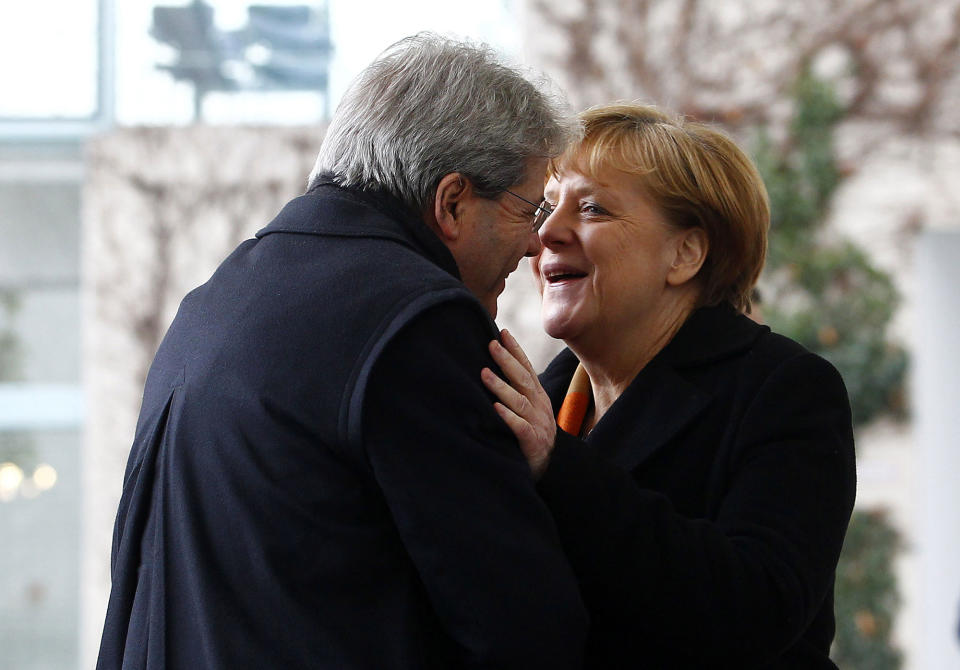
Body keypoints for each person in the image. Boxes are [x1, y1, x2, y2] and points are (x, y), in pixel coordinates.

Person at [96, 34, 587, 670]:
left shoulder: (212, 303)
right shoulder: (416, 325)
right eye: (530, 209)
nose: (533, 247)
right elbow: (521, 624)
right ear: (453, 202)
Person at [482, 103, 857, 668]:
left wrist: (561, 469)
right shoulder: (542, 400)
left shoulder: (786, 390)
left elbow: (756, 609)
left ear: (685, 254)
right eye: (544, 208)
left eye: (592, 208)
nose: (547, 234)